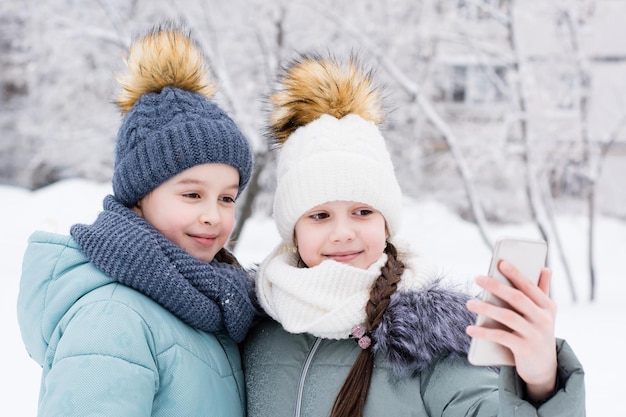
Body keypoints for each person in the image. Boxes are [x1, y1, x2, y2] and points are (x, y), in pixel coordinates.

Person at [243, 53, 585, 417]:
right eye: (320, 215)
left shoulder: (428, 343)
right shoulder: (254, 327)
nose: (342, 233)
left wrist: (540, 383)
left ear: (386, 224)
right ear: (293, 230)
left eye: (362, 212)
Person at [17, 23, 256, 417]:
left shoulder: (207, 301)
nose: (213, 215)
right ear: (138, 198)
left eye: (226, 197)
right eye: (192, 194)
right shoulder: (113, 320)